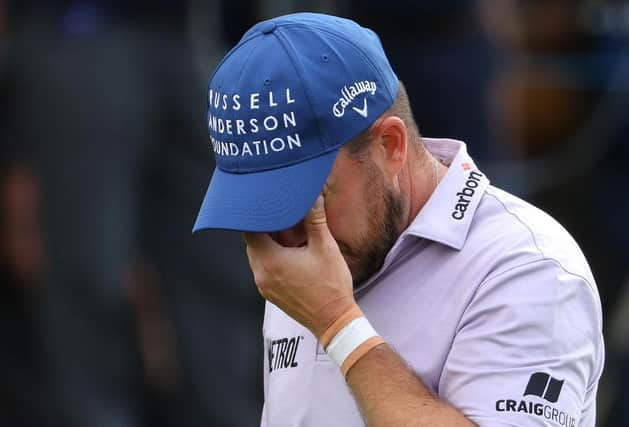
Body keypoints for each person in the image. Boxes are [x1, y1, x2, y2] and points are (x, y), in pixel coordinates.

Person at [193, 12, 604, 426]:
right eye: (261, 207)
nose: (288, 237)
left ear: (390, 145)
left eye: (310, 199)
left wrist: (337, 323)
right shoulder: (302, 255)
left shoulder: (527, 269)